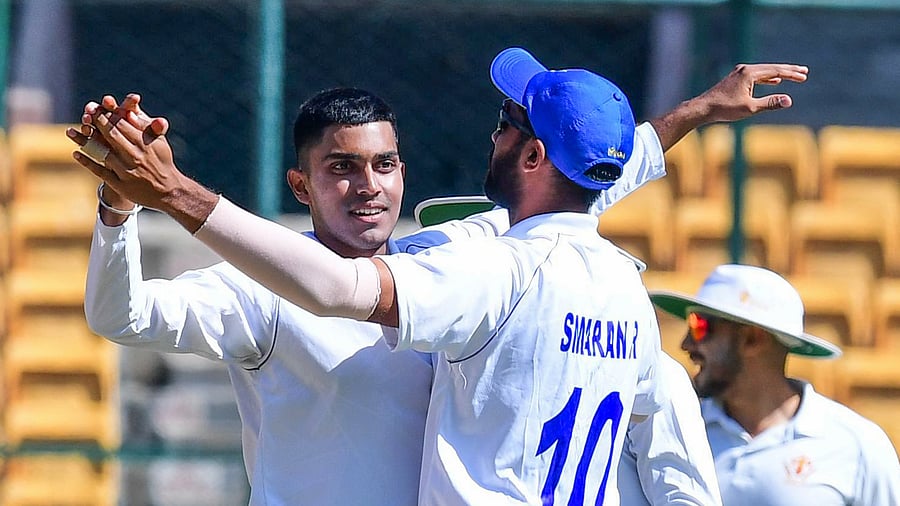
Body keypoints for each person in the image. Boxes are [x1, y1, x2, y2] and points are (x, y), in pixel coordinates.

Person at [72, 46, 808, 505]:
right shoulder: (592, 277)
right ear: (300, 186)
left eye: (384, 164)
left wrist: (174, 192)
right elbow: (121, 317)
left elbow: (335, 290)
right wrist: (694, 112)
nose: (368, 186)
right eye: (342, 168)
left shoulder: (464, 266)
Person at [650, 264, 900, 505]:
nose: (686, 345)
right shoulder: (674, 431)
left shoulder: (858, 445)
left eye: (700, 327)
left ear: (752, 339)